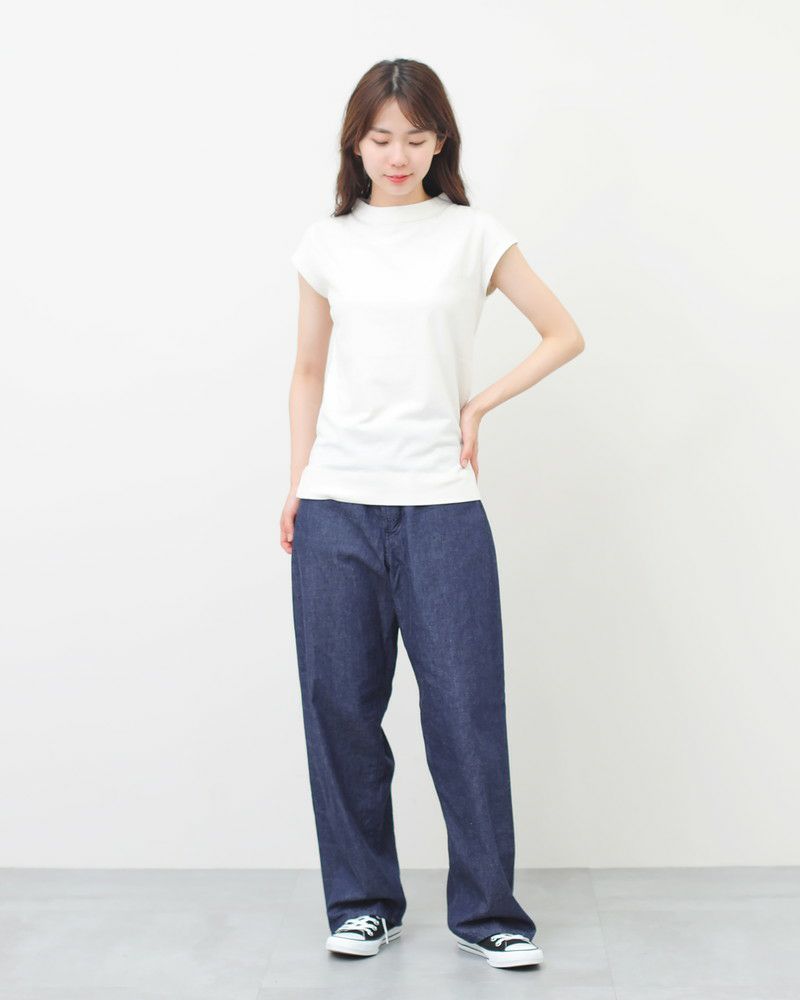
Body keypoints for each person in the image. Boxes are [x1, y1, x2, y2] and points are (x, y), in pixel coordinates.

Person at [281, 58, 584, 971]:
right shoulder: (326, 244)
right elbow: (307, 370)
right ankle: (362, 903)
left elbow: (564, 332)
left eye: (416, 138)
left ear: (440, 141)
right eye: (381, 138)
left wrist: (479, 405)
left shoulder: (473, 235)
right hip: (336, 503)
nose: (398, 155)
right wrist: (295, 482)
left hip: (441, 507)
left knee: (464, 711)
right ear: (355, 143)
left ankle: (489, 912)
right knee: (340, 711)